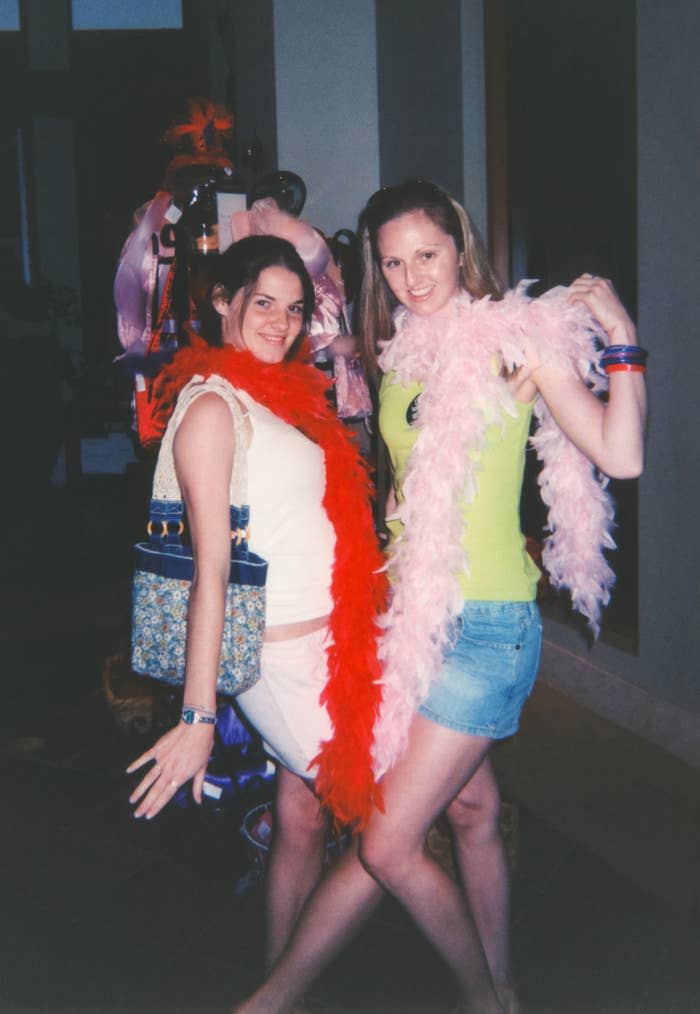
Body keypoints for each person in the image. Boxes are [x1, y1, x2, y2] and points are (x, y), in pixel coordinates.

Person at [232, 179, 646, 1014]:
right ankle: (506, 987)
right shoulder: (400, 357)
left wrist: (624, 342)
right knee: (470, 809)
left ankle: (288, 1003)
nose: (413, 277)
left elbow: (619, 451)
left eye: (427, 254)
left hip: (489, 629)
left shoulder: (513, 341)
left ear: (461, 246)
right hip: (412, 621)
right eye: (392, 263)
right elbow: (416, 477)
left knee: (387, 843)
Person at [127, 234, 386, 969]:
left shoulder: (279, 397)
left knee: (301, 819)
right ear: (221, 302)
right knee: (388, 836)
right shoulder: (213, 408)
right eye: (263, 303)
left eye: (295, 308)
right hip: (284, 659)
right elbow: (211, 569)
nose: (281, 321)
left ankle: (281, 979)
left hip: (327, 642)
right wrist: (198, 716)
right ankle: (277, 999)